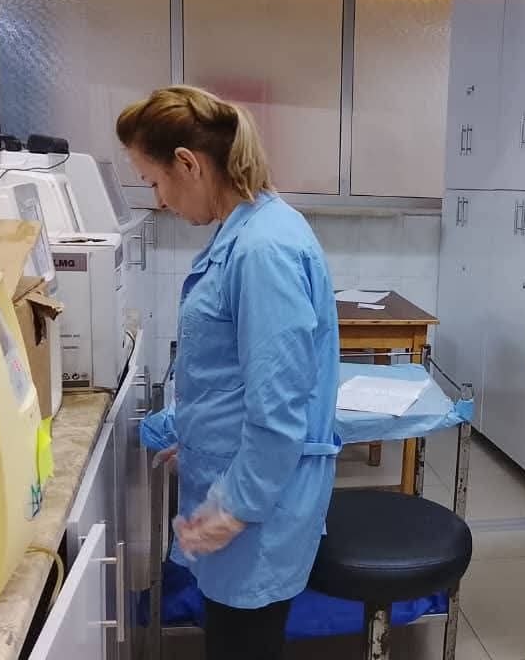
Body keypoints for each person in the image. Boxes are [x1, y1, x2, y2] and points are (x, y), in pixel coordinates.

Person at [117, 86, 340, 660]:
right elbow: (232, 377)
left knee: (243, 644)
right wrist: (190, 435)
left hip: (259, 506)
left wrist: (234, 508)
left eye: (154, 182)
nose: (159, 200)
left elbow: (279, 406)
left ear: (187, 163)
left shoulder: (263, 250)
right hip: (240, 481)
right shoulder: (244, 231)